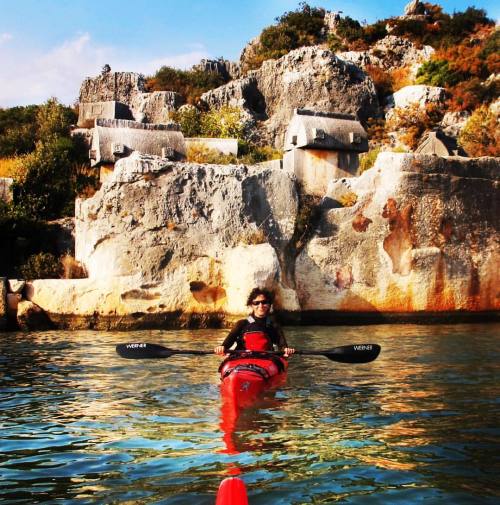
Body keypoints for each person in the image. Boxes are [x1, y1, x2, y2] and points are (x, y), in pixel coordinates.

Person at [214, 287, 295, 357]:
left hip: (265, 360)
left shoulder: (274, 326)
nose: (260, 306)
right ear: (251, 305)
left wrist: (286, 350)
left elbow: (282, 346)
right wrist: (222, 347)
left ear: (269, 305)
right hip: (242, 359)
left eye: (264, 302)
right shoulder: (241, 324)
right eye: (256, 303)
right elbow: (227, 343)